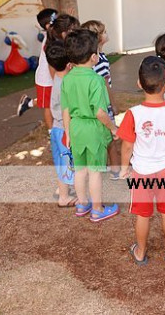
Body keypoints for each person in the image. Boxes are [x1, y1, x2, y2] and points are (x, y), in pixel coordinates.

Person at [118, 56, 165, 265]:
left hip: (141, 172)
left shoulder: (133, 114)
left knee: (143, 214)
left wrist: (124, 167)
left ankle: (140, 251)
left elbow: (127, 146)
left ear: (139, 83)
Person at [61, 28, 119, 222]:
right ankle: (97, 209)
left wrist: (68, 133)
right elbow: (100, 112)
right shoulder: (96, 80)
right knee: (95, 172)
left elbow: (66, 109)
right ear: (94, 57)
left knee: (80, 170)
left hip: (76, 128)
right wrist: (113, 128)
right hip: (93, 130)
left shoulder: (67, 79)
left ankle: (82, 204)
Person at [81, 20, 120, 181]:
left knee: (99, 139)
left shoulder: (90, 59)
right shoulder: (101, 61)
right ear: (97, 38)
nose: (106, 34)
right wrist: (113, 104)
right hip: (104, 105)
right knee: (110, 139)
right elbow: (105, 85)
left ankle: (100, 168)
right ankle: (116, 170)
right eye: (103, 32)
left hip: (93, 106)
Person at [45, 39, 76, 207]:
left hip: (56, 129)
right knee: (68, 163)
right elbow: (68, 112)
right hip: (65, 130)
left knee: (60, 162)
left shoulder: (57, 79)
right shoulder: (66, 84)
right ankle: (64, 197)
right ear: (69, 61)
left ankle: (61, 189)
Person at [17, 8, 58, 121]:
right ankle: (51, 130)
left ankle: (28, 103)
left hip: (53, 78)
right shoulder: (49, 41)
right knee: (48, 106)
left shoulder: (54, 37)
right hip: (46, 80)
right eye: (57, 20)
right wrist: (56, 80)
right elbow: (51, 64)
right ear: (48, 25)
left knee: (52, 101)